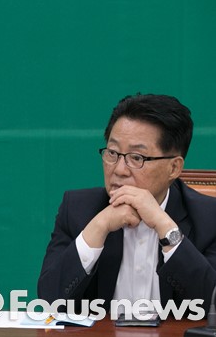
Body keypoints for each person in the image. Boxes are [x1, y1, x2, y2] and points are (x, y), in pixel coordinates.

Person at [38, 93, 216, 314]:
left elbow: (211, 305)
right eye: (112, 153)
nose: (119, 170)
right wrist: (99, 226)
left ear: (174, 168)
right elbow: (49, 302)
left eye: (137, 157)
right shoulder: (77, 209)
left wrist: (164, 226)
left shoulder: (209, 219)